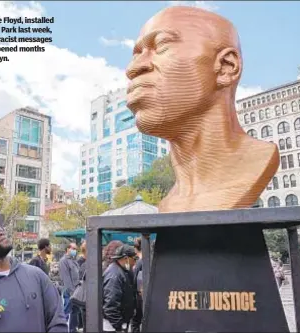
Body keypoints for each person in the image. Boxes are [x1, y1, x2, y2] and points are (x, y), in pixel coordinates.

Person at [125, 6, 279, 213]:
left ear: (226, 66)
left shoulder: (255, 164)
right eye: (136, 54)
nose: (133, 68)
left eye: (161, 45)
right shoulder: (170, 202)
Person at [103, 245, 137, 332]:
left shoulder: (122, 271)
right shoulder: (114, 275)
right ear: (126, 258)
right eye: (134, 259)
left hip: (119, 323)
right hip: (113, 326)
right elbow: (110, 304)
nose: (135, 262)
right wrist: (118, 326)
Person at [59, 242, 80, 332]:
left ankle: (72, 330)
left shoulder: (73, 260)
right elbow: (66, 278)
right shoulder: (63, 261)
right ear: (68, 249)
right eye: (73, 249)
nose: (75, 251)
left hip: (76, 291)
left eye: (76, 249)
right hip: (69, 292)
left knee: (74, 312)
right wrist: (72, 292)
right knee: (67, 312)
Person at [131, 238, 143, 332]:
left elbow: (133, 280)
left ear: (135, 248)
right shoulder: (150, 259)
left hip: (139, 296)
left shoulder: (139, 263)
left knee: (135, 321)